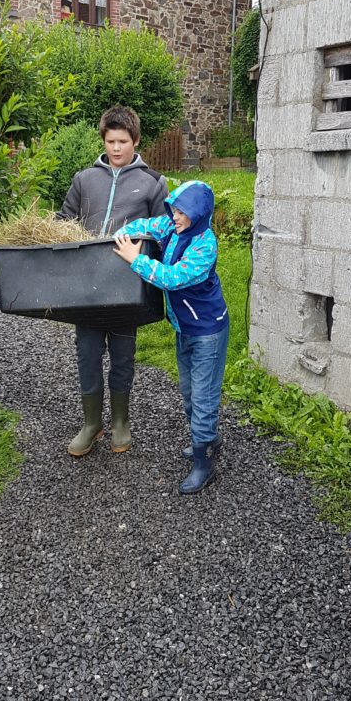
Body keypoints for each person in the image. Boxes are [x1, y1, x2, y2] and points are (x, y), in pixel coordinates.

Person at [56, 106, 168, 457]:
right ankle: (91, 423)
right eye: (110, 141)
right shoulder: (84, 179)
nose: (116, 148)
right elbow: (63, 221)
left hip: (126, 287)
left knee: (122, 354)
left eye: (123, 141)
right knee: (87, 352)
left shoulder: (152, 182)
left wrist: (148, 255)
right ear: (103, 140)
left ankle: (120, 421)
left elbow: (163, 232)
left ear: (136, 141)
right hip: (86, 285)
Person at [113, 180, 229, 495]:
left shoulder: (204, 246)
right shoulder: (172, 227)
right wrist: (123, 236)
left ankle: (204, 464)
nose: (174, 216)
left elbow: (172, 278)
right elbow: (145, 226)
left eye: (182, 211)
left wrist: (135, 259)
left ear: (199, 212)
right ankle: (209, 437)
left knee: (203, 398)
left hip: (208, 332)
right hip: (184, 328)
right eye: (173, 209)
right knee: (190, 393)